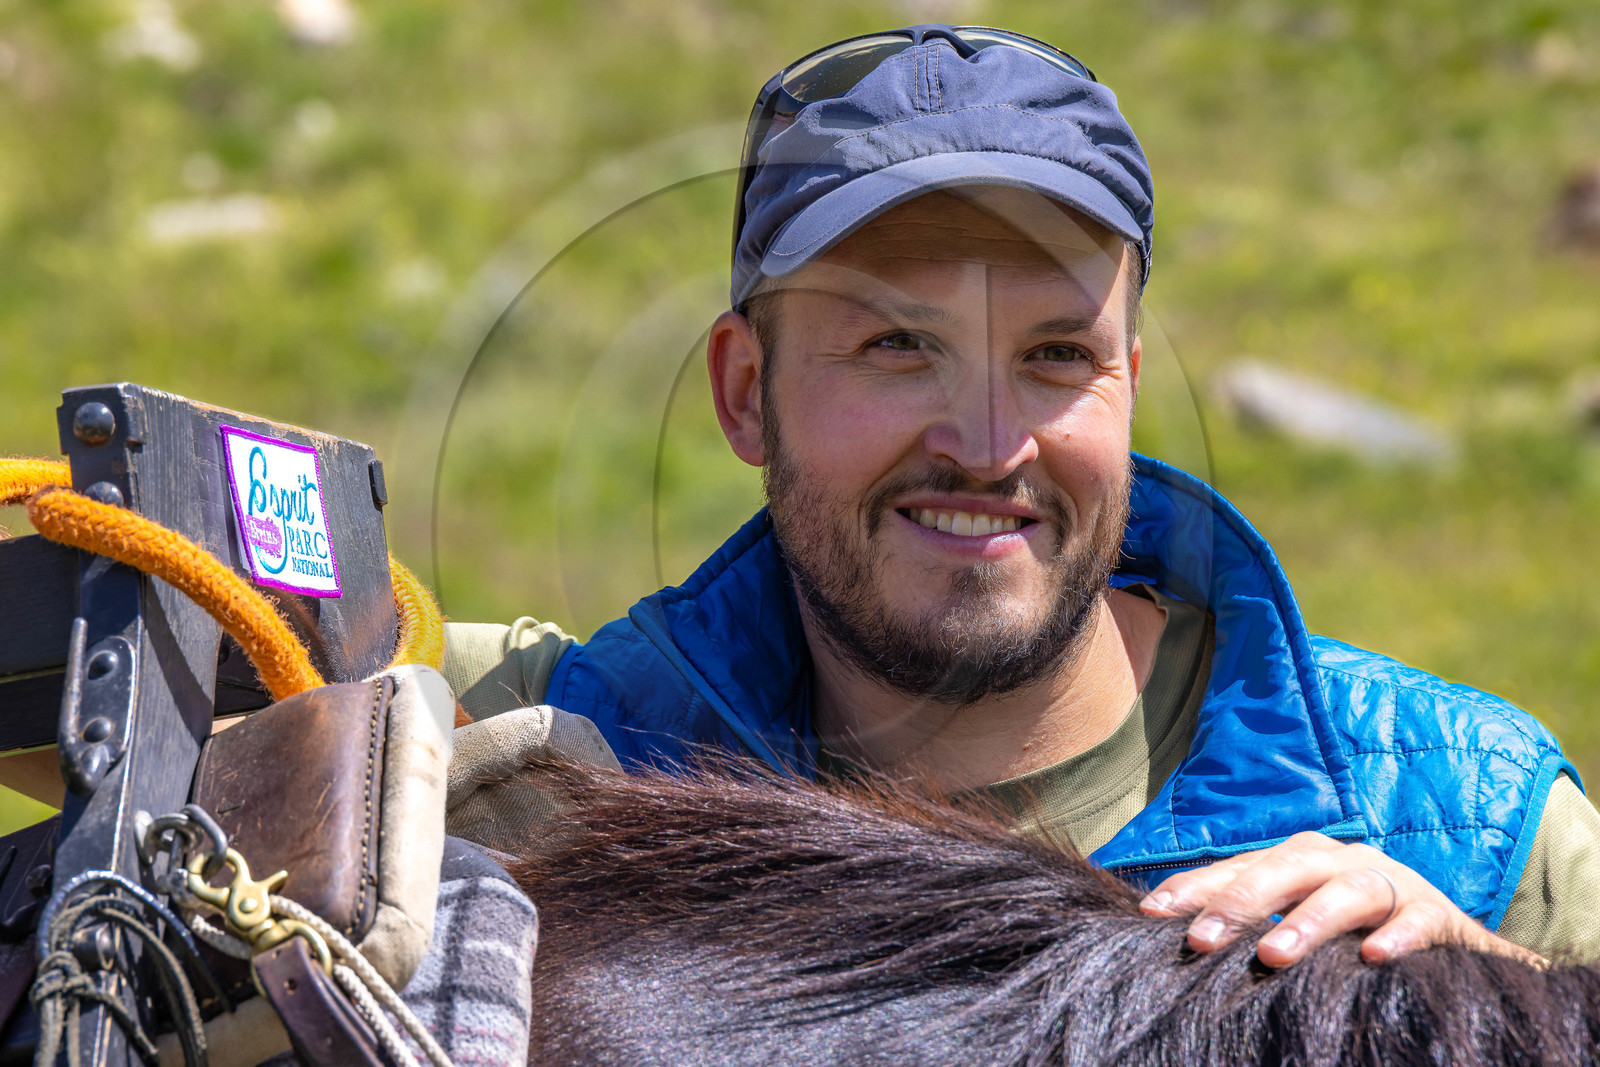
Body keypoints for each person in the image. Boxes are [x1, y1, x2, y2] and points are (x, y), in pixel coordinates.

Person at [441, 24, 1600, 967]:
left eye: (1055, 355)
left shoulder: (1474, 828)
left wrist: (1495, 1001)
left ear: (1129, 385)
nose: (990, 447)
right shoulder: (563, 752)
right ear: (746, 392)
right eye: (899, 343)